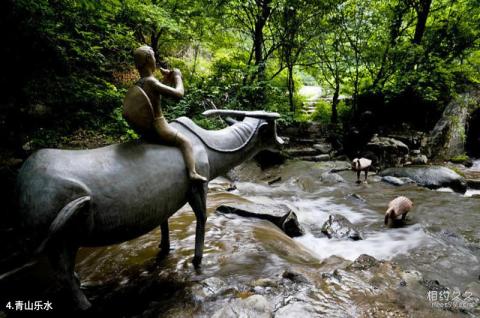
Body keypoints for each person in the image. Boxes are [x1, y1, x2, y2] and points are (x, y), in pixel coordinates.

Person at [123, 45, 207, 182]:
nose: (156, 60)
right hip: (159, 126)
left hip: (147, 129)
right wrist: (178, 76)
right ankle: (192, 173)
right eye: (154, 56)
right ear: (149, 59)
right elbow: (179, 94)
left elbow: (155, 95)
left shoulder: (140, 83)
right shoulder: (152, 82)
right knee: (186, 143)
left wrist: (167, 80)